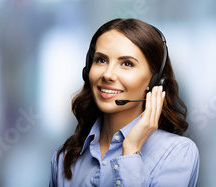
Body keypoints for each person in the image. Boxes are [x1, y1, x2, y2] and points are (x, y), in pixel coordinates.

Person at [49, 18, 199, 186]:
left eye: (127, 63)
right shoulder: (64, 157)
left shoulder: (177, 152)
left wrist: (131, 150)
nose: (108, 75)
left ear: (155, 81)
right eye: (101, 60)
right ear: (87, 70)